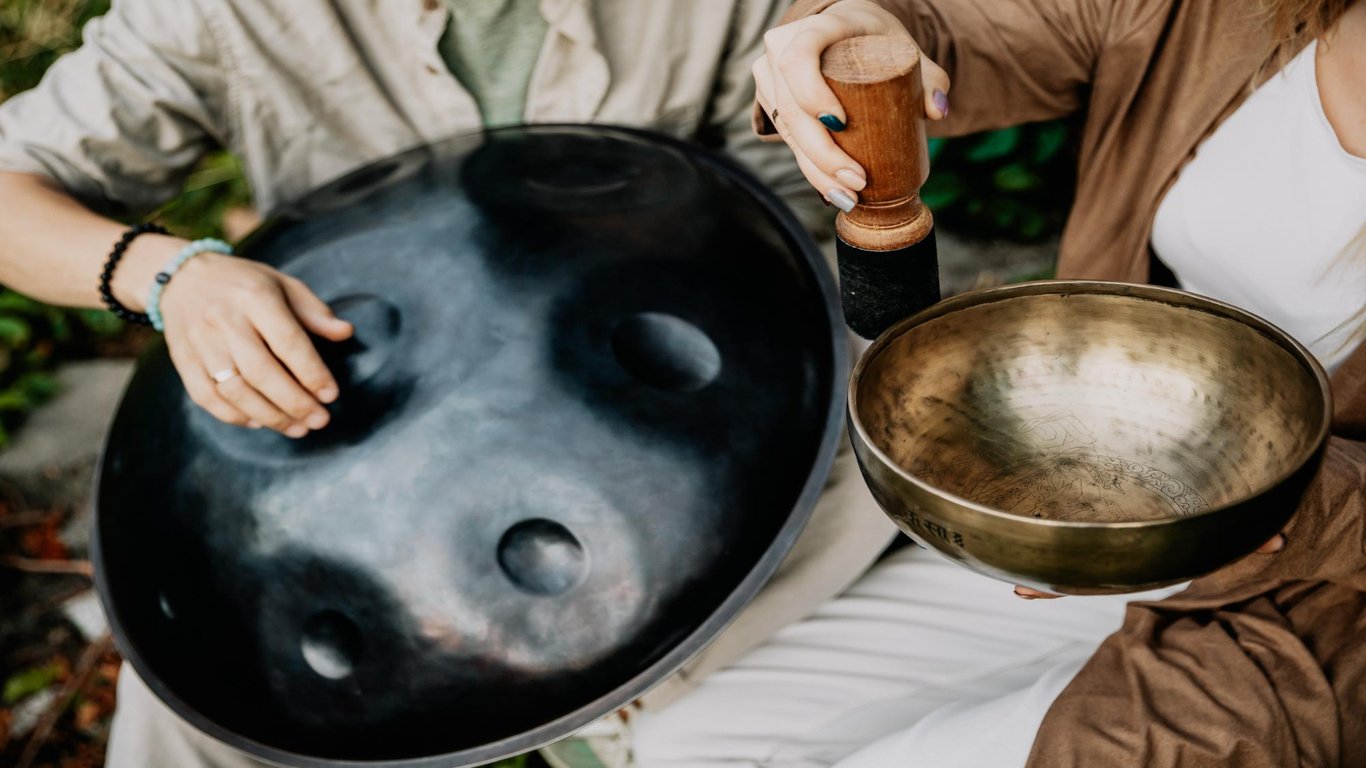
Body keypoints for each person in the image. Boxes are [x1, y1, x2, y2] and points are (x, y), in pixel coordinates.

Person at [0, 2, 900, 766]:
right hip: (361, 454)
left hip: (703, 445)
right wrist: (167, 275)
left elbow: (826, 213)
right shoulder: (222, 12)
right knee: (204, 691)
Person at [627, 0, 1366, 766]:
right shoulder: (1213, 13)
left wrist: (1288, 512)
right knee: (687, 744)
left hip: (1313, 614)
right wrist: (855, 37)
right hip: (1082, 505)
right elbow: (956, 31)